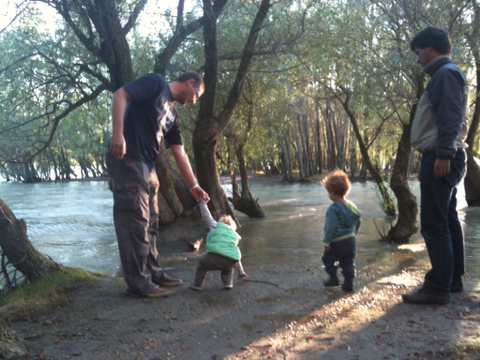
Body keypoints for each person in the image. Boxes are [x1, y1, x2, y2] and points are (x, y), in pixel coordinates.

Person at [106, 72, 209, 298]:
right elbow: (120, 95)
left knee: (151, 222)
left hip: (148, 166)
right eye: (195, 96)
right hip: (128, 158)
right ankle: (138, 283)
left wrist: (194, 186)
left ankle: (153, 272)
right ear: (189, 83)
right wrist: (117, 134)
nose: (192, 101)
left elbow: (179, 151)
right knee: (135, 222)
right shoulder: (156, 83)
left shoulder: (173, 114)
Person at [402, 27, 469, 305]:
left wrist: (441, 155)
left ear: (430, 48)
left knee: (433, 223)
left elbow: (450, 117)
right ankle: (451, 280)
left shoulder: (444, 74)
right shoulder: (447, 73)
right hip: (444, 155)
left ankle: (438, 288)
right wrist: (430, 157)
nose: (418, 60)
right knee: (447, 218)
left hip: (445, 156)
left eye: (418, 53)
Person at [189, 199, 250, 291]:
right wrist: (241, 272)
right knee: (230, 263)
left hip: (214, 259)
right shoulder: (234, 235)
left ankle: (197, 284)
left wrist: (202, 202)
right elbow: (236, 255)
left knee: (202, 263)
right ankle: (228, 283)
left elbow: (206, 215)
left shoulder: (215, 225)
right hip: (231, 262)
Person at [321, 170, 361, 292]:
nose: (328, 195)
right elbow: (358, 219)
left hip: (337, 242)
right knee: (348, 261)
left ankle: (334, 278)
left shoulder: (333, 208)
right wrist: (356, 231)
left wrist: (326, 242)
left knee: (327, 259)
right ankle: (348, 283)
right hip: (350, 241)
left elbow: (331, 226)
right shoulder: (352, 205)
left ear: (332, 192)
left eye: (328, 192)